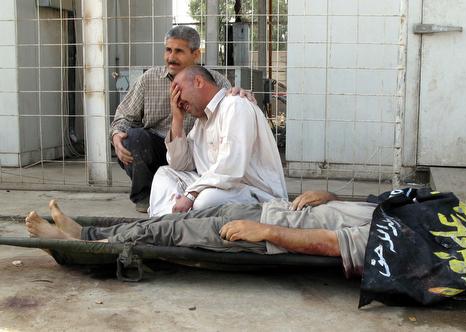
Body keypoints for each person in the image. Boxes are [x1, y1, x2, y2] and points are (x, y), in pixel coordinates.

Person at [25, 191, 375, 278]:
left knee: (165, 233)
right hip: (271, 209)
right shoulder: (410, 210)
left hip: (268, 234)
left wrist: (264, 230)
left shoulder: (394, 242)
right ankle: (85, 231)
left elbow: (330, 245)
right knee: (163, 221)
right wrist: (329, 197)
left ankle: (78, 247)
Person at [110, 26, 252, 213]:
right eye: (168, 50)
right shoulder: (149, 79)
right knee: (133, 138)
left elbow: (229, 107)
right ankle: (145, 195)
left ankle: (186, 191)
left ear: (196, 55)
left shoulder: (214, 82)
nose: (171, 57)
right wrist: (116, 135)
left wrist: (239, 95)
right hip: (156, 150)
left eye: (178, 51)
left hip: (194, 157)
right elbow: (123, 117)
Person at [148, 65, 288, 217]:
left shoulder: (235, 105)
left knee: (204, 201)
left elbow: (230, 167)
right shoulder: (201, 122)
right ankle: (167, 221)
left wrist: (191, 194)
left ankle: (177, 218)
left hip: (256, 193)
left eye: (178, 91)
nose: (176, 100)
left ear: (198, 82)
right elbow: (180, 164)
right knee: (165, 173)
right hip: (218, 187)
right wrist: (177, 118)